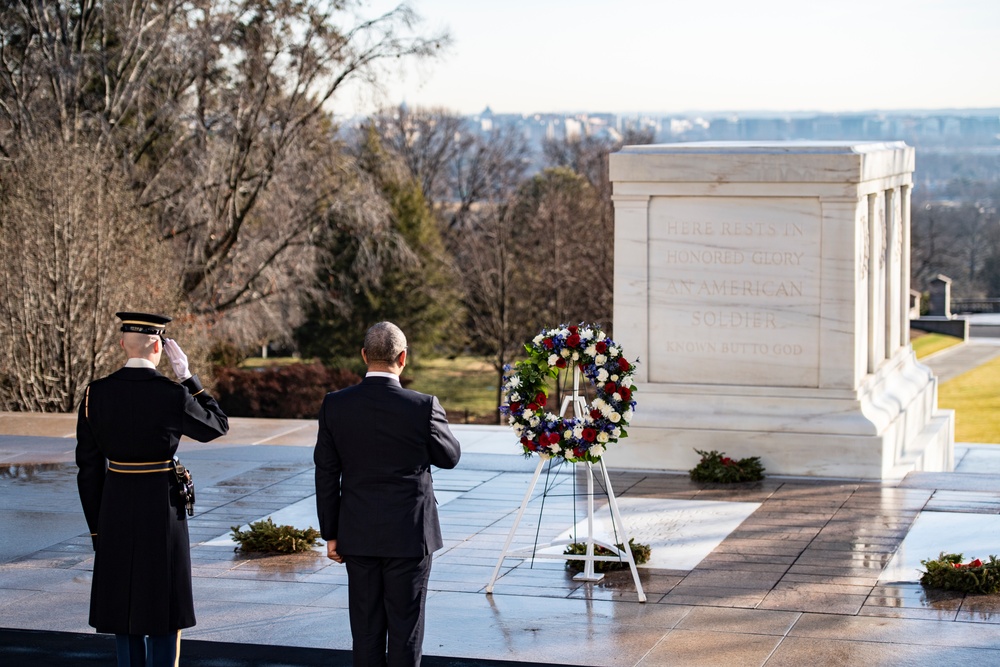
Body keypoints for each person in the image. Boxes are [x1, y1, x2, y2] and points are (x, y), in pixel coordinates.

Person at [75, 311, 229, 667]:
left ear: (120, 344)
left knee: (122, 606)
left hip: (114, 503)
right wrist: (189, 377)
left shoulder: (95, 393)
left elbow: (88, 467)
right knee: (164, 603)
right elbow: (217, 425)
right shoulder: (172, 394)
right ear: (160, 345)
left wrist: (97, 527)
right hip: (162, 506)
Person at [314, 321, 461, 667]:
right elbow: (450, 457)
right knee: (405, 631)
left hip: (358, 534)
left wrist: (331, 535)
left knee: (365, 633)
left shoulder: (335, 405)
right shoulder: (423, 406)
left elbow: (326, 474)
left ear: (364, 356)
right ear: (403, 357)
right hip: (411, 536)